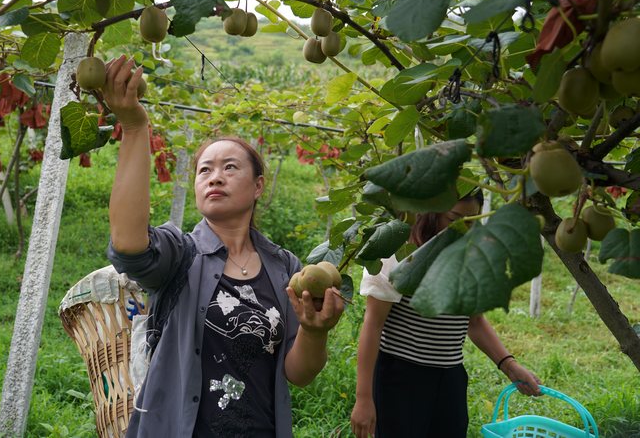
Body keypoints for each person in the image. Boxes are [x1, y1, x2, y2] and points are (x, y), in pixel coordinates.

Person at [103, 54, 345, 438]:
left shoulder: (284, 266)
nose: (215, 177)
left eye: (230, 167)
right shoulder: (179, 254)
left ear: (258, 186)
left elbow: (298, 375)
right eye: (205, 170)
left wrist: (316, 332)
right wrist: (134, 126)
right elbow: (130, 246)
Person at [350, 191, 542, 438]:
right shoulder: (400, 249)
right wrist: (363, 398)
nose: (464, 227)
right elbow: (373, 324)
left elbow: (474, 320)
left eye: (472, 220)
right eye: (454, 218)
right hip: (401, 378)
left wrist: (509, 365)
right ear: (432, 210)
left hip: (449, 377)